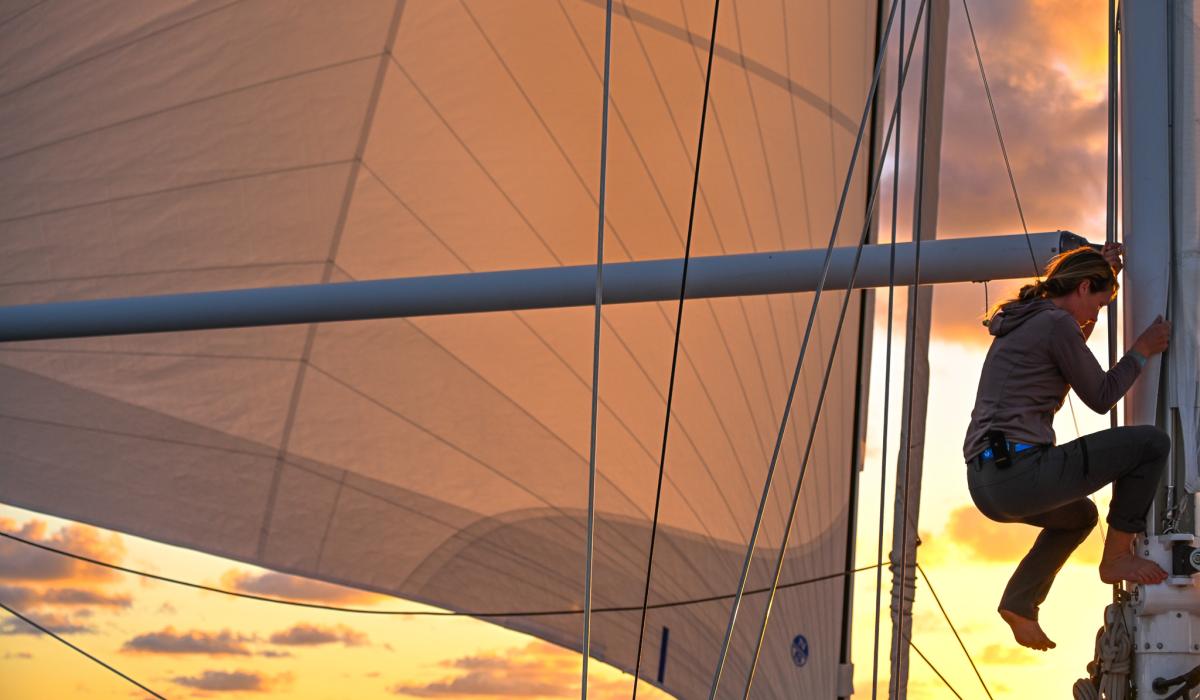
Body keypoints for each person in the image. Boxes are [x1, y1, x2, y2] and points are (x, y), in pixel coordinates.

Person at [963, 242, 1172, 651]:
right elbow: (1101, 395)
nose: (1096, 314)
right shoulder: (1056, 324)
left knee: (1079, 517)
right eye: (1099, 300)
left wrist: (1102, 272)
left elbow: (1070, 346)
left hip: (986, 483)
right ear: (1081, 287)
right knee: (1150, 443)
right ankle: (1115, 559)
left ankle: (1020, 603)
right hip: (1023, 474)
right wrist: (1141, 351)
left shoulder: (1027, 320)